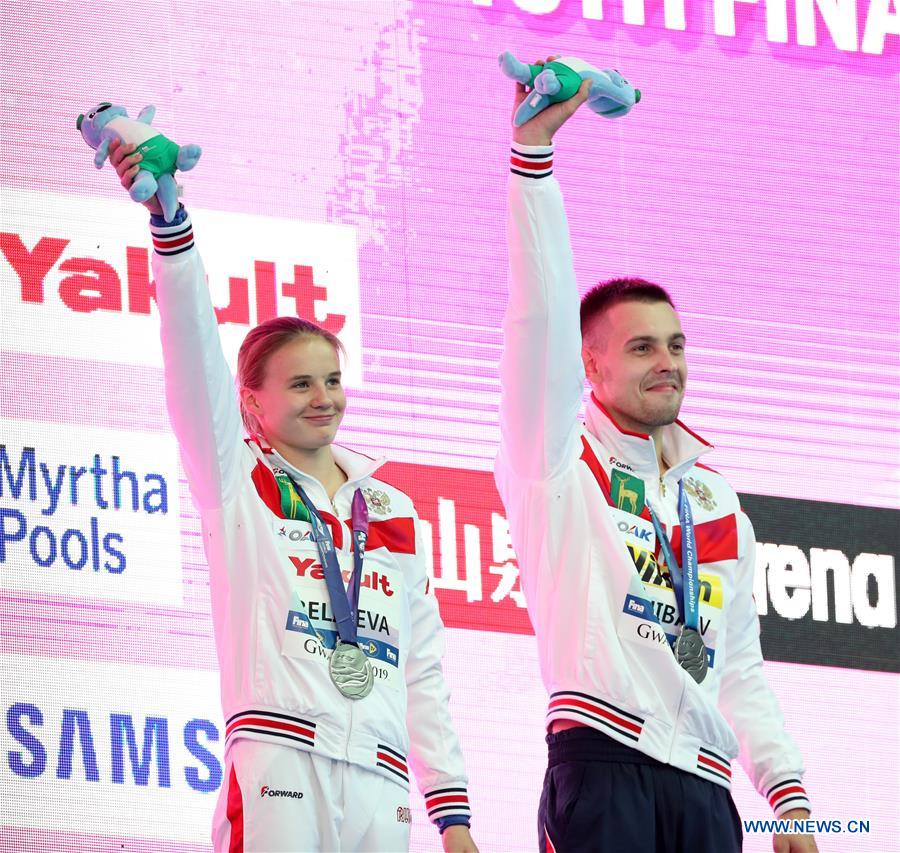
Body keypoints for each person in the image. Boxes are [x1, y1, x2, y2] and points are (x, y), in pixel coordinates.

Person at [106, 138, 478, 853]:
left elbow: (422, 665)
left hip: (380, 776)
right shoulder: (239, 479)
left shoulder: (389, 509)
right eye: (301, 383)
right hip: (281, 755)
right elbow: (191, 361)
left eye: (332, 381)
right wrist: (170, 229)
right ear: (251, 402)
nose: (324, 399)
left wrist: (453, 815)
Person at [494, 65, 818, 853]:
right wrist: (533, 155)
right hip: (605, 763)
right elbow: (537, 320)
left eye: (675, 344)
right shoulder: (558, 465)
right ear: (590, 367)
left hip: (706, 789)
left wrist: (790, 797)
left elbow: (738, 664)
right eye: (641, 348)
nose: (666, 362)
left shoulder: (712, 497)